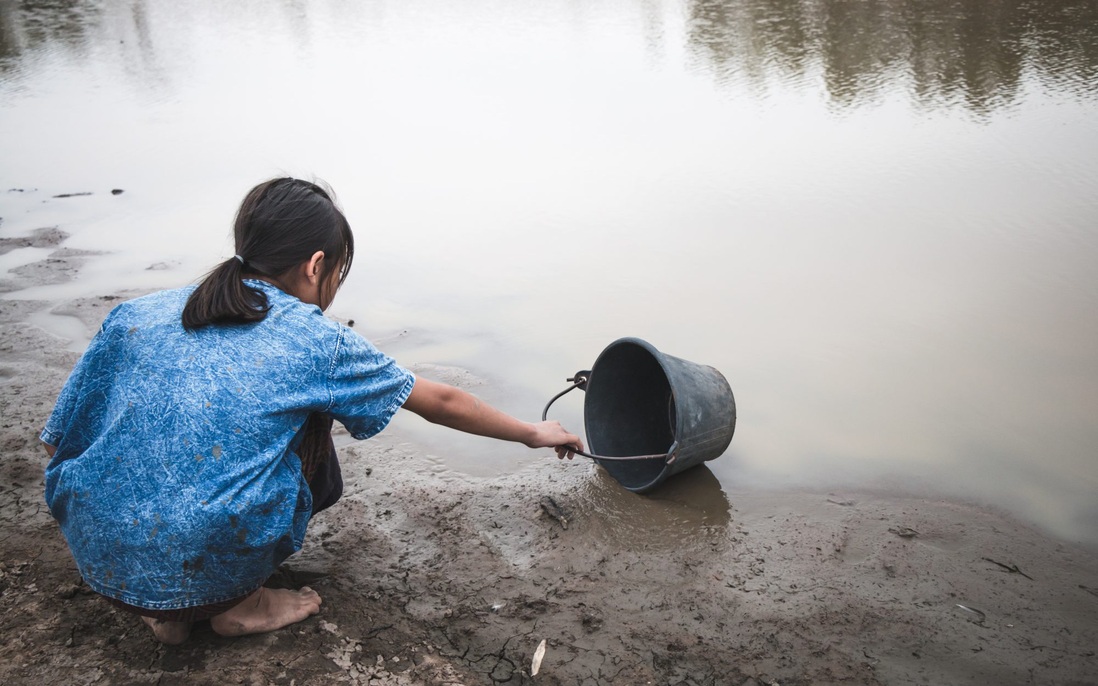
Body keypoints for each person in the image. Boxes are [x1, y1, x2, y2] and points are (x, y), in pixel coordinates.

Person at [40, 177, 583, 645]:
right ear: (316, 265)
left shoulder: (136, 313)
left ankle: (168, 614)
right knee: (315, 427)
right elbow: (439, 401)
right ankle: (238, 604)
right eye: (337, 272)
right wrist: (531, 432)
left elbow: (58, 437)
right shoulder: (313, 339)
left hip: (101, 559)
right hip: (201, 557)